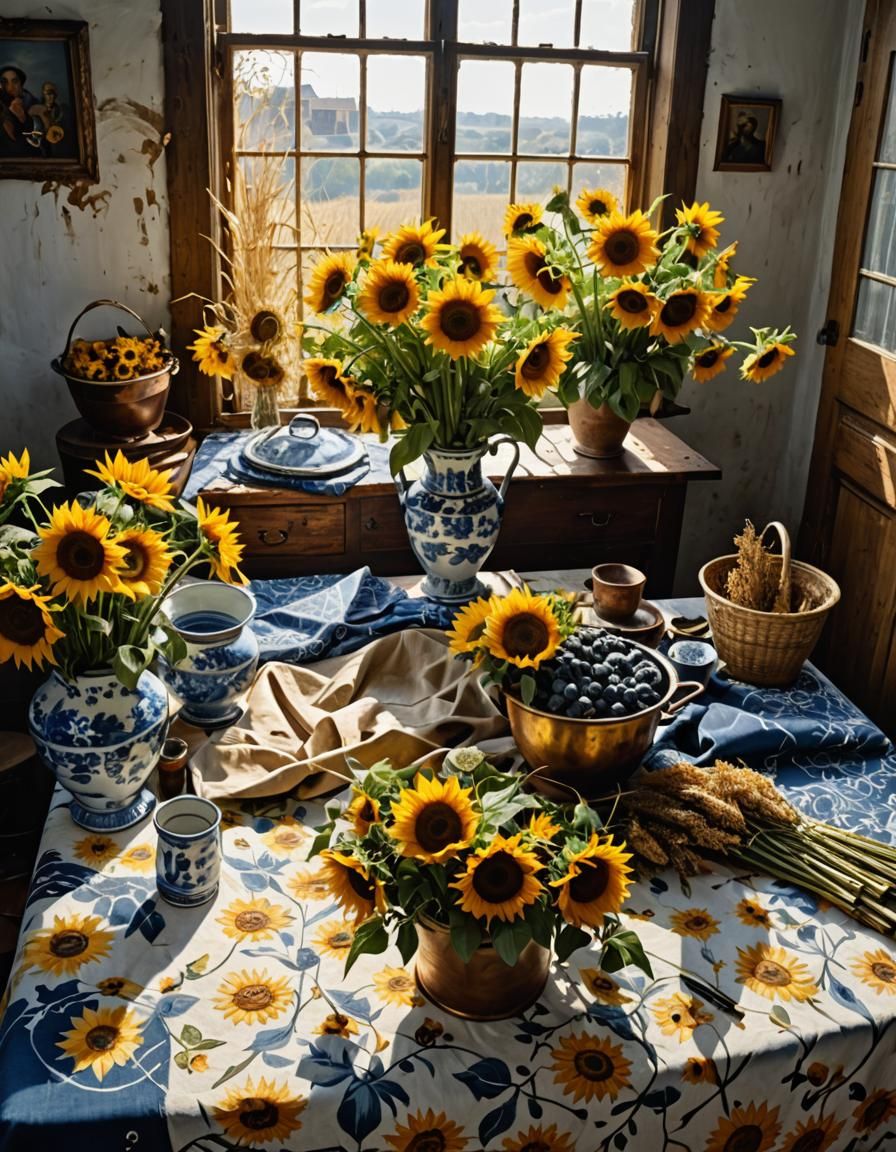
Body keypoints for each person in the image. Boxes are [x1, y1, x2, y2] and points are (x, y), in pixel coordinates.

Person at [0, 64, 37, 155]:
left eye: (15, 82)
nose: (10, 88)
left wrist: (23, 118)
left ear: (21, 85)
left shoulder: (33, 104)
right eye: (5, 82)